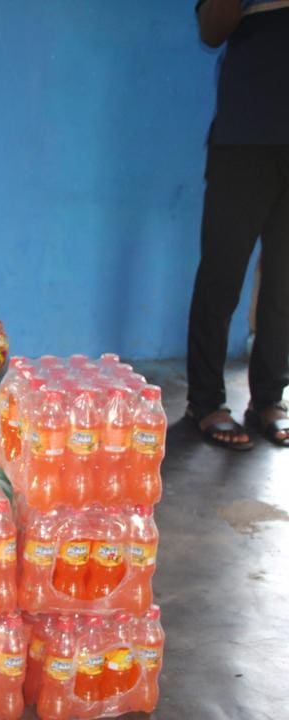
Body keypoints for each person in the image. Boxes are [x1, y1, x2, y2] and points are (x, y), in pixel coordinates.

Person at [187, 0, 289, 449]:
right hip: (245, 141)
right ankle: (205, 402)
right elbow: (211, 30)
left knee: (285, 284)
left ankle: (269, 397)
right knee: (221, 277)